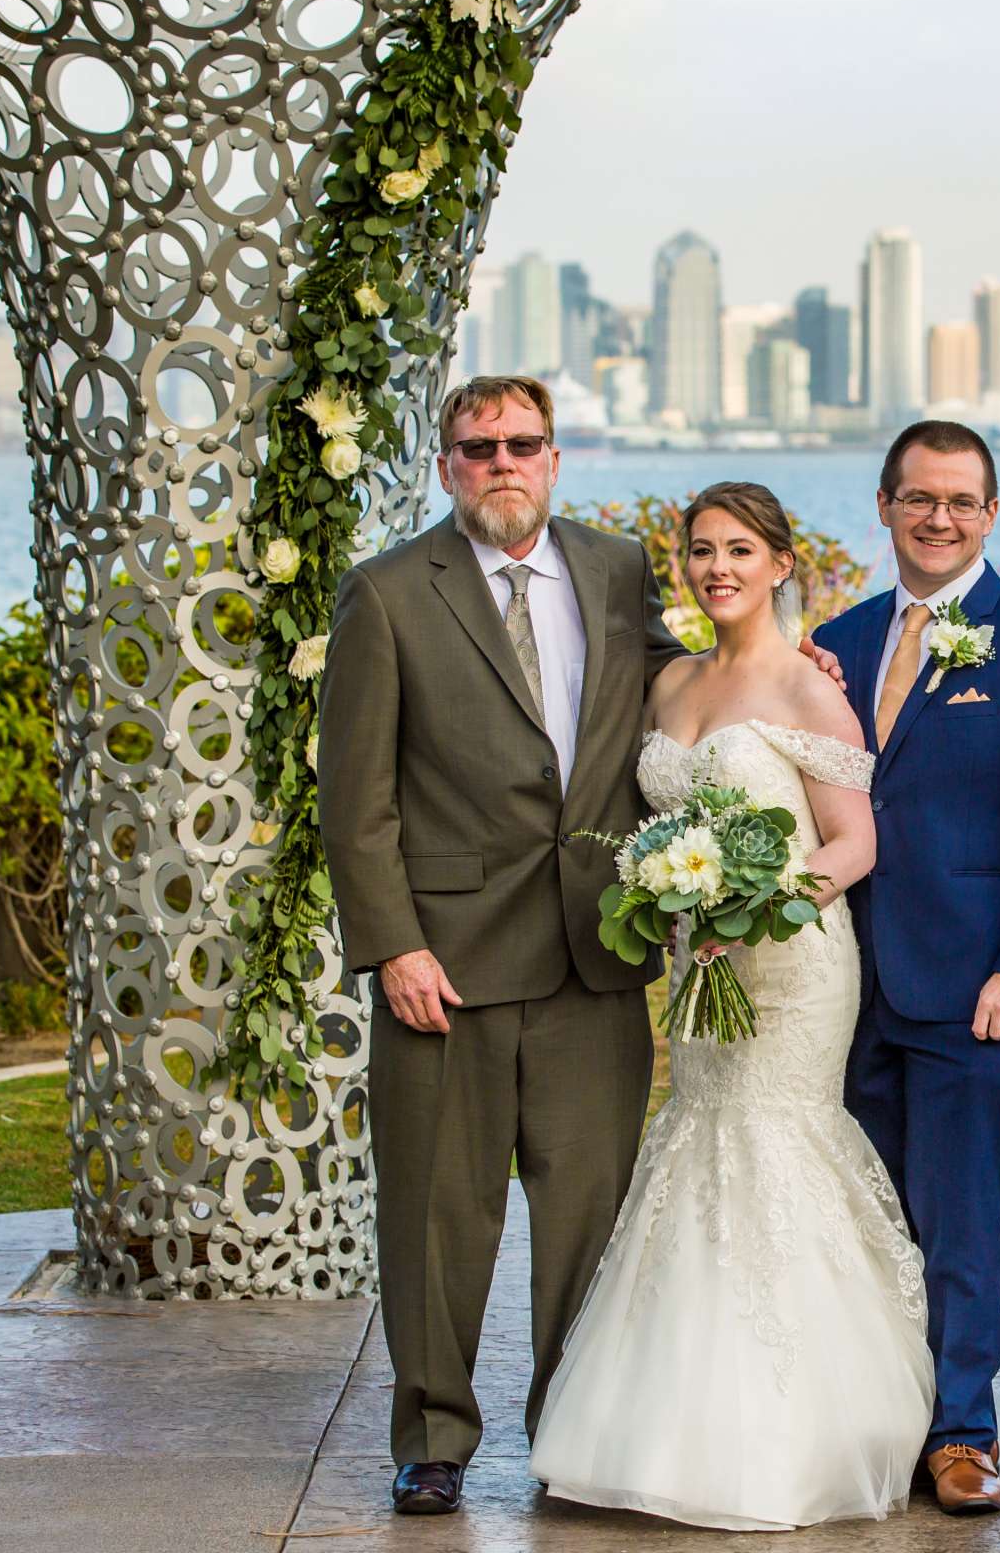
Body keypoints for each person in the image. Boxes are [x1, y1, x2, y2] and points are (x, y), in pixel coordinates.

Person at [316, 378, 839, 1517]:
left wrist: (804, 674)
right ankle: (434, 1436)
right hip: (442, 968)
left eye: (523, 443)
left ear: (554, 458)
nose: (502, 462)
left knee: (590, 1221)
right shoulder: (388, 594)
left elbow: (689, 683)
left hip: (596, 955)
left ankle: (571, 1426)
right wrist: (393, 945)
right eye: (478, 446)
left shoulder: (612, 572)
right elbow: (351, 803)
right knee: (438, 1216)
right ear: (447, 462)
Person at [528, 481, 933, 1530]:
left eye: (740, 550)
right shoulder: (670, 687)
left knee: (772, 1144)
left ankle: (801, 1429)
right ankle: (660, 1421)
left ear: (780, 564)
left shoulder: (809, 686)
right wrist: (673, 895)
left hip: (792, 966)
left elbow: (855, 842)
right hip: (696, 967)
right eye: (702, 551)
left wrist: (760, 910)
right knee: (696, 1144)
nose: (719, 569)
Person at [809, 420, 1000, 1515]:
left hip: (973, 984)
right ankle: (878, 1414)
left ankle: (962, 1433)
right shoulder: (835, 640)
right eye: (919, 497)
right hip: (844, 985)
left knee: (959, 1217)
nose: (939, 518)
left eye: (961, 501)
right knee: (862, 1212)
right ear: (884, 504)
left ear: (990, 515)